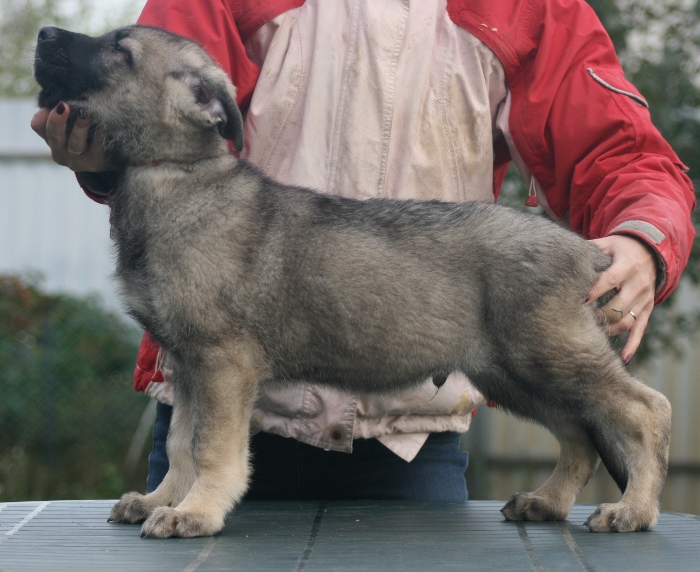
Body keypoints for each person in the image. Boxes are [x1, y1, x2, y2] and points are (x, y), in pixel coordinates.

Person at [32, 0, 695, 502]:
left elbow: (620, 154)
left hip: (407, 434)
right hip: (218, 416)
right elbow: (156, 121)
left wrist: (645, 238)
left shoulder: (524, 8)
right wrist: (103, 156)